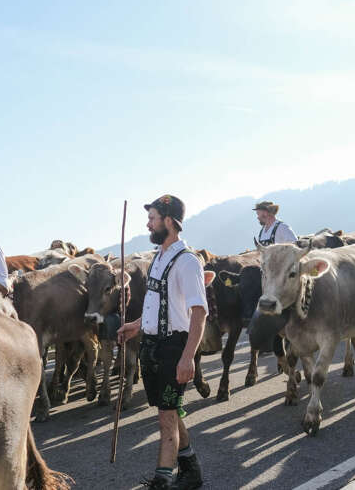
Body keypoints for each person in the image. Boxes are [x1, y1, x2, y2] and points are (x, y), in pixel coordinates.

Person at [118, 195, 208, 490]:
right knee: (168, 410)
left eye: (153, 218)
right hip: (152, 346)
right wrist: (135, 326)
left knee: (166, 418)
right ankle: (191, 471)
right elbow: (156, 306)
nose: (148, 223)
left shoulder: (187, 262)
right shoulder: (158, 257)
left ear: (169, 221)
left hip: (173, 348)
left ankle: (162, 480)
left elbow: (198, 313)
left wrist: (188, 357)